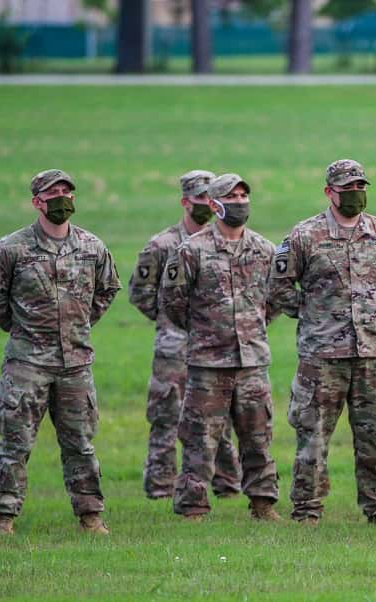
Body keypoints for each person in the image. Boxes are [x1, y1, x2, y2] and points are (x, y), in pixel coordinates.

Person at [271, 159, 376, 526]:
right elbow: (278, 287)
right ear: (329, 192)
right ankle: (307, 511)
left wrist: (375, 312)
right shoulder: (304, 236)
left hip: (373, 354)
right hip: (322, 356)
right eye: (346, 187)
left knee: (374, 438)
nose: (354, 193)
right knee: (313, 437)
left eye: (359, 186)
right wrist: (315, 313)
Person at [0, 169, 120, 534]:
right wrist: (24, 328)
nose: (62, 198)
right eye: (54, 192)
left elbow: (107, 290)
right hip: (27, 364)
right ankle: (4, 517)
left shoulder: (92, 246)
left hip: (76, 365)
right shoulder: (11, 249)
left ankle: (90, 516)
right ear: (37, 201)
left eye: (68, 191)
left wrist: (78, 324)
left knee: (80, 443)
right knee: (15, 443)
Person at [160, 173, 280, 521]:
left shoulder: (264, 249)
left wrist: (250, 327)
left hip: (252, 360)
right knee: (200, 438)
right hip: (208, 362)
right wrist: (207, 331)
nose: (240, 201)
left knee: (258, 436)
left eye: (244, 195)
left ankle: (263, 503)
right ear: (213, 205)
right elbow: (174, 303)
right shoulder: (191, 250)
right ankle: (193, 507)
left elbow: (273, 300)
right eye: (232, 196)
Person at [128, 170, 241, 500]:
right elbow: (140, 293)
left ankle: (227, 485)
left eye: (211, 199)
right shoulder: (162, 245)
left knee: (220, 419)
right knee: (166, 416)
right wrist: (171, 322)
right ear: (185, 202)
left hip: (218, 347)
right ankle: (161, 488)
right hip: (174, 348)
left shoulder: (227, 242)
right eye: (199, 200)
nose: (206, 205)